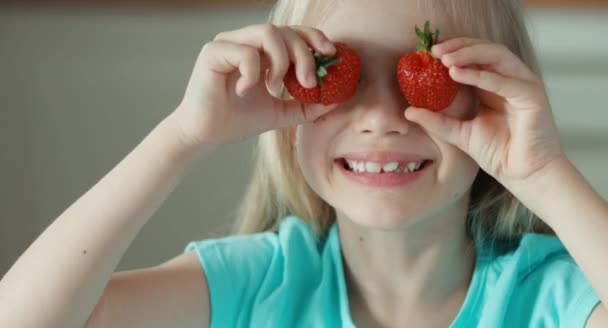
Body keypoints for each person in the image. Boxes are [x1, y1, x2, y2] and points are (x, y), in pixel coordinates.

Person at [1, 0, 607, 327]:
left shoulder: (546, 297)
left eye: (430, 77)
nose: (380, 120)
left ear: (495, 104)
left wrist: (540, 174)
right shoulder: (258, 283)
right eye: (335, 77)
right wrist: (182, 137)